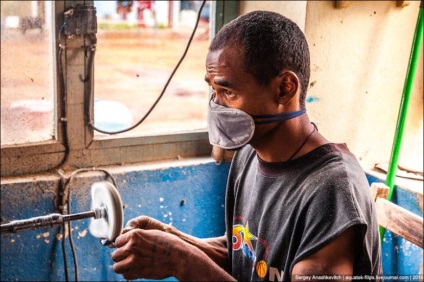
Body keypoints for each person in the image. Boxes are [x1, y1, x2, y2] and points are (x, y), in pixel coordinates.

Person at [111, 11, 382, 281]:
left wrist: (181, 260)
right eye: (213, 91)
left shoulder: (332, 191)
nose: (216, 106)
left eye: (229, 92)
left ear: (285, 89)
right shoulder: (249, 155)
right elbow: (247, 253)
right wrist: (173, 238)